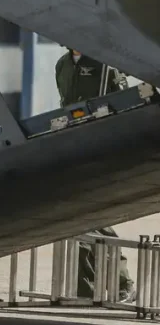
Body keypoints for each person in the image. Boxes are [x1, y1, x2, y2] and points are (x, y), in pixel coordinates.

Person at [55, 48, 135, 302]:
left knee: (94, 218)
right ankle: (85, 286)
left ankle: (122, 282)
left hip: (101, 148)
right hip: (74, 146)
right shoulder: (62, 65)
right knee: (75, 218)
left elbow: (125, 104)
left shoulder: (106, 63)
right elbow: (65, 104)